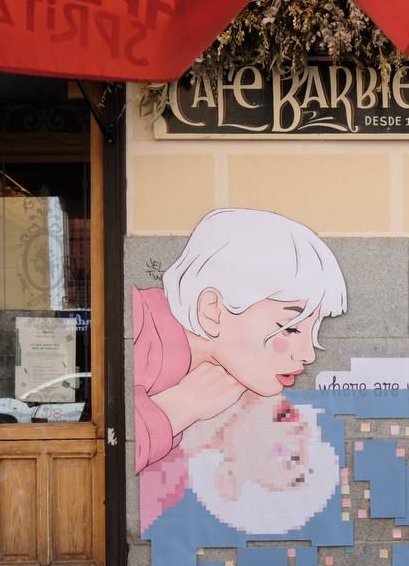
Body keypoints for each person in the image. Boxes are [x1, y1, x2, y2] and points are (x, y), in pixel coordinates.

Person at [133, 208, 348, 531]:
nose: (307, 354)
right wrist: (181, 406)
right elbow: (104, 449)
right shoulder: (136, 327)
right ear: (213, 309)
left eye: (311, 330)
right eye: (289, 328)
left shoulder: (173, 357)